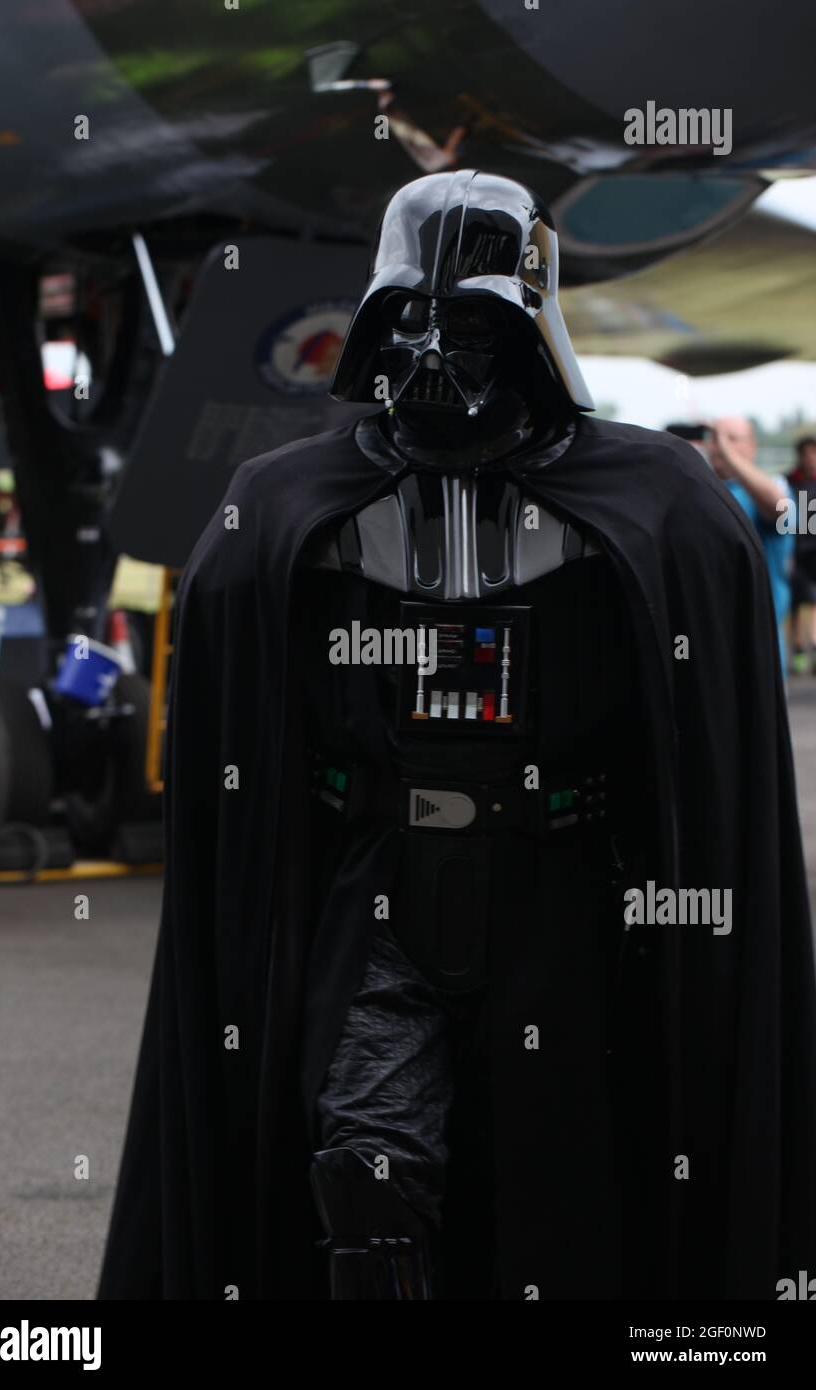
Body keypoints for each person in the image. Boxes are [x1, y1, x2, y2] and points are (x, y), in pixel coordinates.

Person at [98, 171, 816, 1301]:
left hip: (563, 887)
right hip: (377, 885)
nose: (437, 351)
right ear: (376, 322)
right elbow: (240, 730)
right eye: (412, 319)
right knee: (365, 1171)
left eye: (472, 322)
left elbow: (699, 749)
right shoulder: (290, 505)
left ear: (531, 328)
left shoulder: (656, 503)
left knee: (564, 1186)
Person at [707, 417, 795, 657]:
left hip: (758, 645)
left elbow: (779, 509)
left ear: (752, 447)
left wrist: (728, 453)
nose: (720, 446)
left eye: (732, 439)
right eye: (714, 439)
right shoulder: (701, 488)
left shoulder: (774, 487)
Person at [786, 435, 816, 673]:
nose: (811, 459)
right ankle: (797, 650)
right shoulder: (788, 482)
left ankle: (814, 646)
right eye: (807, 454)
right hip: (796, 550)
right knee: (795, 603)